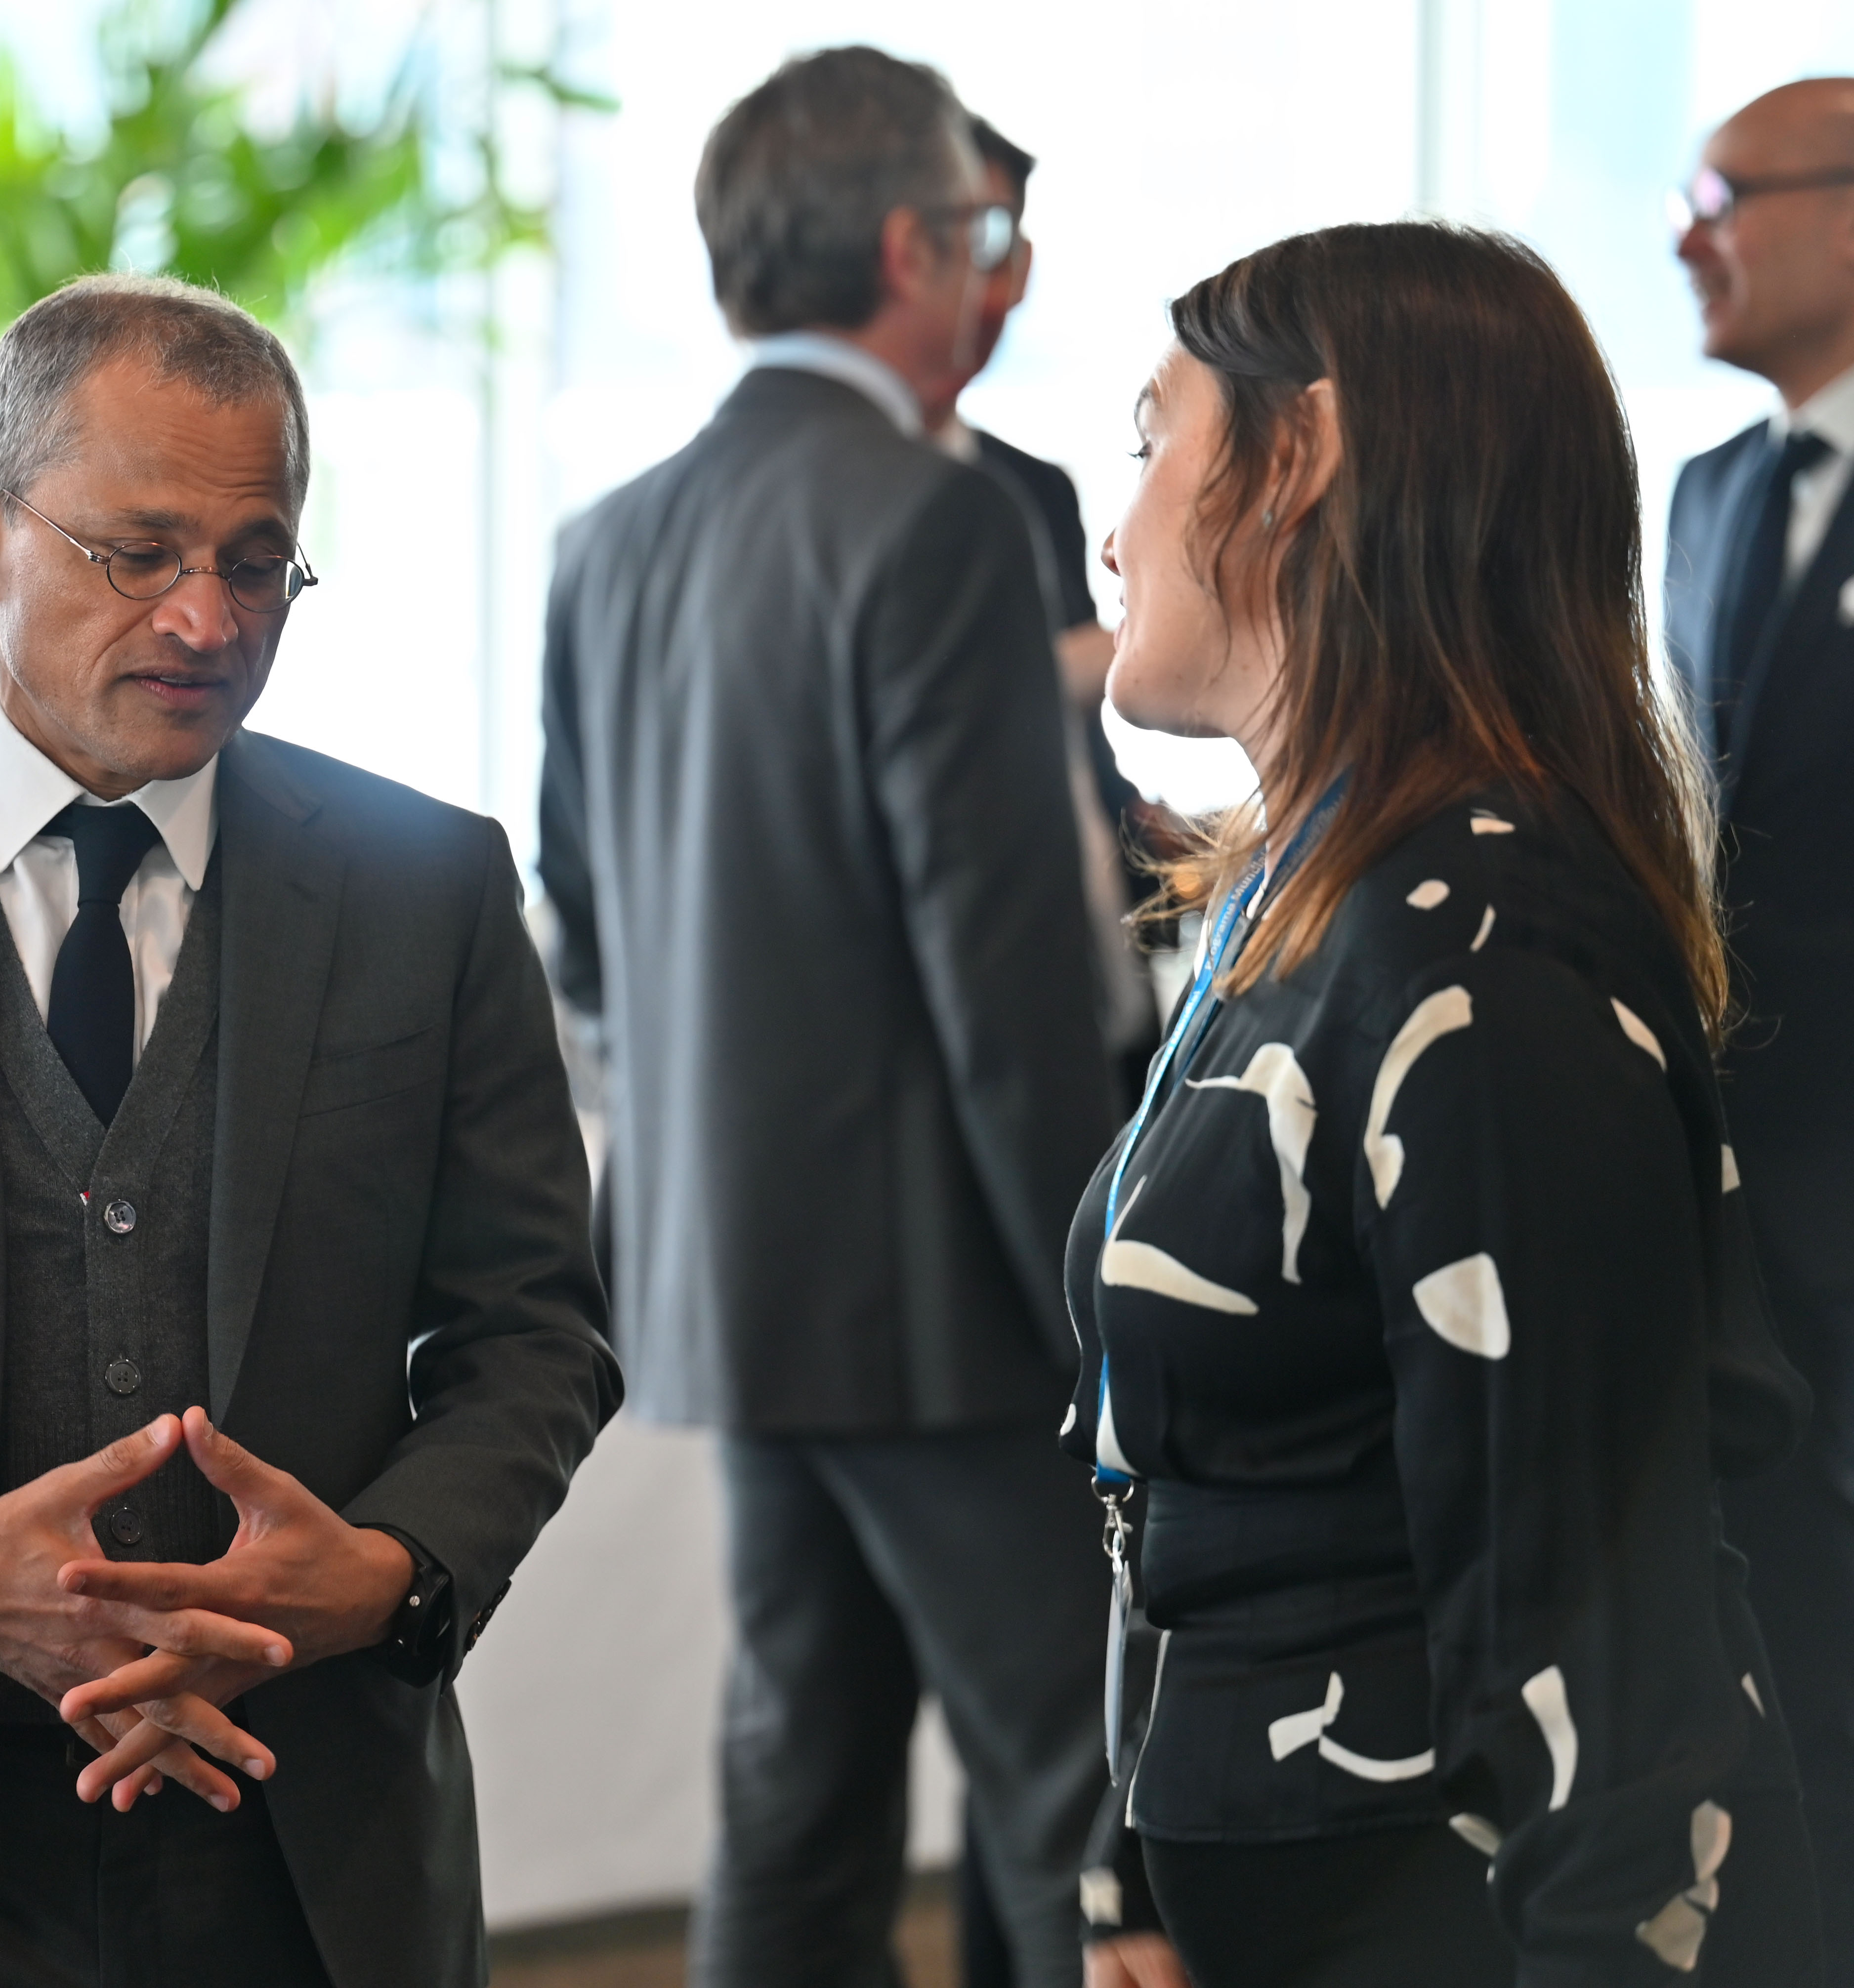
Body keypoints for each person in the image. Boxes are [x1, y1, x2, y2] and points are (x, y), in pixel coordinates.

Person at [0, 273, 620, 1988]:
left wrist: (379, 1573)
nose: (206, 620)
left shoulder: (428, 887)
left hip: (309, 1844)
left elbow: (534, 1328)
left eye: (256, 561)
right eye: (137, 552)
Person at [1072, 222, 1820, 1987]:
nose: (1109, 524)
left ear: (1301, 454)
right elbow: (1198, 1486)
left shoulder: (1478, 958)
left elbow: (1601, 1666)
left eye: (1144, 431)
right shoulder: (1321, 895)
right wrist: (1140, 1874)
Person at [539, 48, 1120, 1988]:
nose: (989, 266)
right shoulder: (936, 520)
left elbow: (591, 929)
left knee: (801, 1779)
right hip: (950, 1300)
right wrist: (1098, 1292)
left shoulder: (608, 538)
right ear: (910, 242)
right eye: (978, 227)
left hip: (736, 1286)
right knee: (1073, 1797)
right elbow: (1003, 973)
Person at [1665, 78, 1854, 1978]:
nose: (1680, 233)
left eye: (1717, 193)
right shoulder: (1711, 493)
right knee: (1783, 1635)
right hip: (1734, 1208)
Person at [932, 115, 1161, 1111]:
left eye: (1004, 242)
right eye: (963, 237)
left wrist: (1145, 836)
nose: (991, 280)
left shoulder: (1028, 488)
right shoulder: (809, 519)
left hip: (1086, 989)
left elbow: (1077, 751)